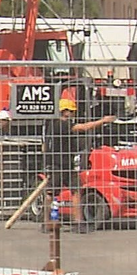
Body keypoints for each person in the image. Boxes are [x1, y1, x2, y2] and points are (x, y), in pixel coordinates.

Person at [44, 98, 117, 230]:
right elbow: (83, 127)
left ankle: (51, 223)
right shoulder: (63, 124)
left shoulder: (51, 124)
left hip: (58, 163)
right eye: (71, 111)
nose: (73, 114)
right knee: (68, 192)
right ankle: (75, 222)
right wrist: (103, 121)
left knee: (61, 192)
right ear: (65, 111)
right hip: (61, 164)